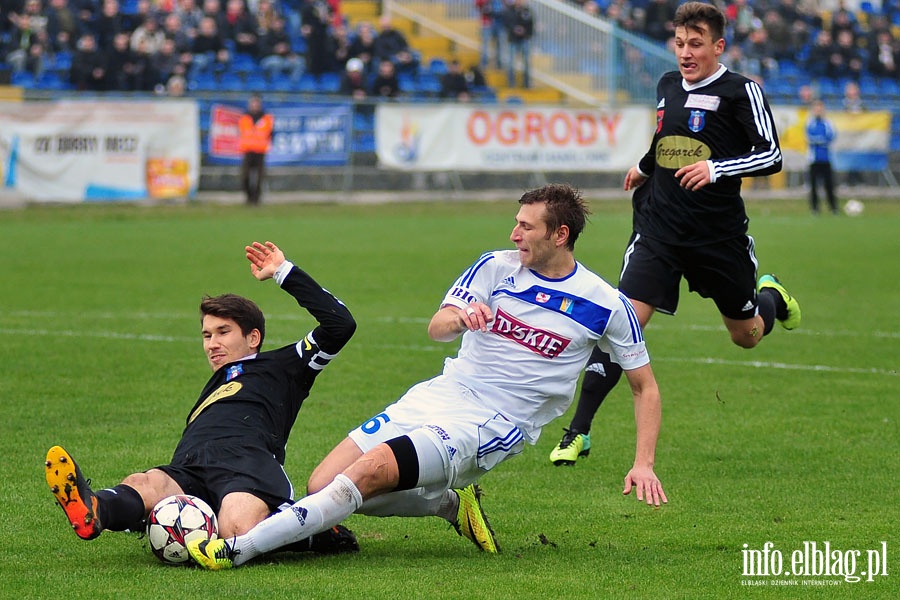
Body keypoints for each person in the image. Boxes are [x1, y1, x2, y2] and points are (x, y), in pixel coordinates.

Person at [188, 183, 667, 570]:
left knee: (371, 470)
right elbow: (437, 327)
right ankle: (448, 506)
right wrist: (462, 317)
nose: (514, 233)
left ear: (559, 235)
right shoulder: (494, 266)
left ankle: (237, 550)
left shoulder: (605, 304)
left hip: (493, 424)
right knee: (322, 483)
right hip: (443, 392)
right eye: (515, 223)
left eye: (525, 226)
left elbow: (644, 386)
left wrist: (643, 462)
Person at [548, 1, 802, 466]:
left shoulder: (741, 91)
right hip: (658, 230)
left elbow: (771, 156)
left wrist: (715, 168)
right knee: (623, 323)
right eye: (680, 43)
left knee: (745, 336)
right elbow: (666, 139)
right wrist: (644, 167)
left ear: (718, 46)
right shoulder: (667, 84)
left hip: (716, 238)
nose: (685, 53)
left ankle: (772, 298)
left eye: (696, 44)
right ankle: (577, 431)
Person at [46, 241, 358, 554]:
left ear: (253, 338)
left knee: (238, 529)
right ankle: (95, 508)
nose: (211, 343)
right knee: (145, 484)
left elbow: (340, 324)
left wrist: (283, 272)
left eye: (223, 332)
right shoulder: (213, 386)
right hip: (190, 464)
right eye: (207, 335)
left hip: (246, 463)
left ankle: (312, 531)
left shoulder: (283, 365)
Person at [238, 94, 274, 206]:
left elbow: (271, 133)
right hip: (247, 150)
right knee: (245, 176)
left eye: (256, 104)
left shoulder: (267, 118)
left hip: (260, 150)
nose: (254, 106)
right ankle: (249, 197)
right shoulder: (244, 118)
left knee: (260, 177)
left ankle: (256, 199)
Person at [805, 99, 838, 216]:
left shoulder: (827, 123)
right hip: (813, 160)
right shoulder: (810, 123)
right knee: (813, 186)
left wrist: (819, 140)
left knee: (829, 185)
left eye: (820, 108)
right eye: (816, 109)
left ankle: (834, 208)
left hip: (826, 159)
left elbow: (831, 137)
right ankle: (815, 208)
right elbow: (809, 137)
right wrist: (820, 140)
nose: (818, 111)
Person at [505, 0, 533, 88]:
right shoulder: (510, 10)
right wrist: (514, 29)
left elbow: (530, 23)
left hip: (524, 39)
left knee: (526, 62)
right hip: (513, 39)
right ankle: (511, 83)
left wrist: (525, 32)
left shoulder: (527, 10)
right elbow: (507, 23)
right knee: (510, 62)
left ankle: (526, 84)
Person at [476, 0, 506, 70]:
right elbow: (479, 4)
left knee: (500, 45)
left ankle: (499, 64)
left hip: (499, 25)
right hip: (487, 24)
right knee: (485, 45)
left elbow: (505, 9)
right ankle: (484, 63)